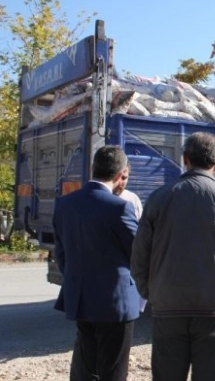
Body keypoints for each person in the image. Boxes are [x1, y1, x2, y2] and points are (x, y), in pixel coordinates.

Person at [131, 132, 215, 381]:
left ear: (185, 159)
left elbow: (139, 258)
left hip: (168, 309)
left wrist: (153, 293)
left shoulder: (158, 198)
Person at [53, 146, 139, 381]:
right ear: (121, 174)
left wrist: (77, 279)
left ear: (93, 168)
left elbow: (61, 254)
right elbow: (139, 255)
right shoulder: (120, 207)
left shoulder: (65, 204)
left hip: (80, 298)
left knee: (85, 365)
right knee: (112, 369)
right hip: (115, 303)